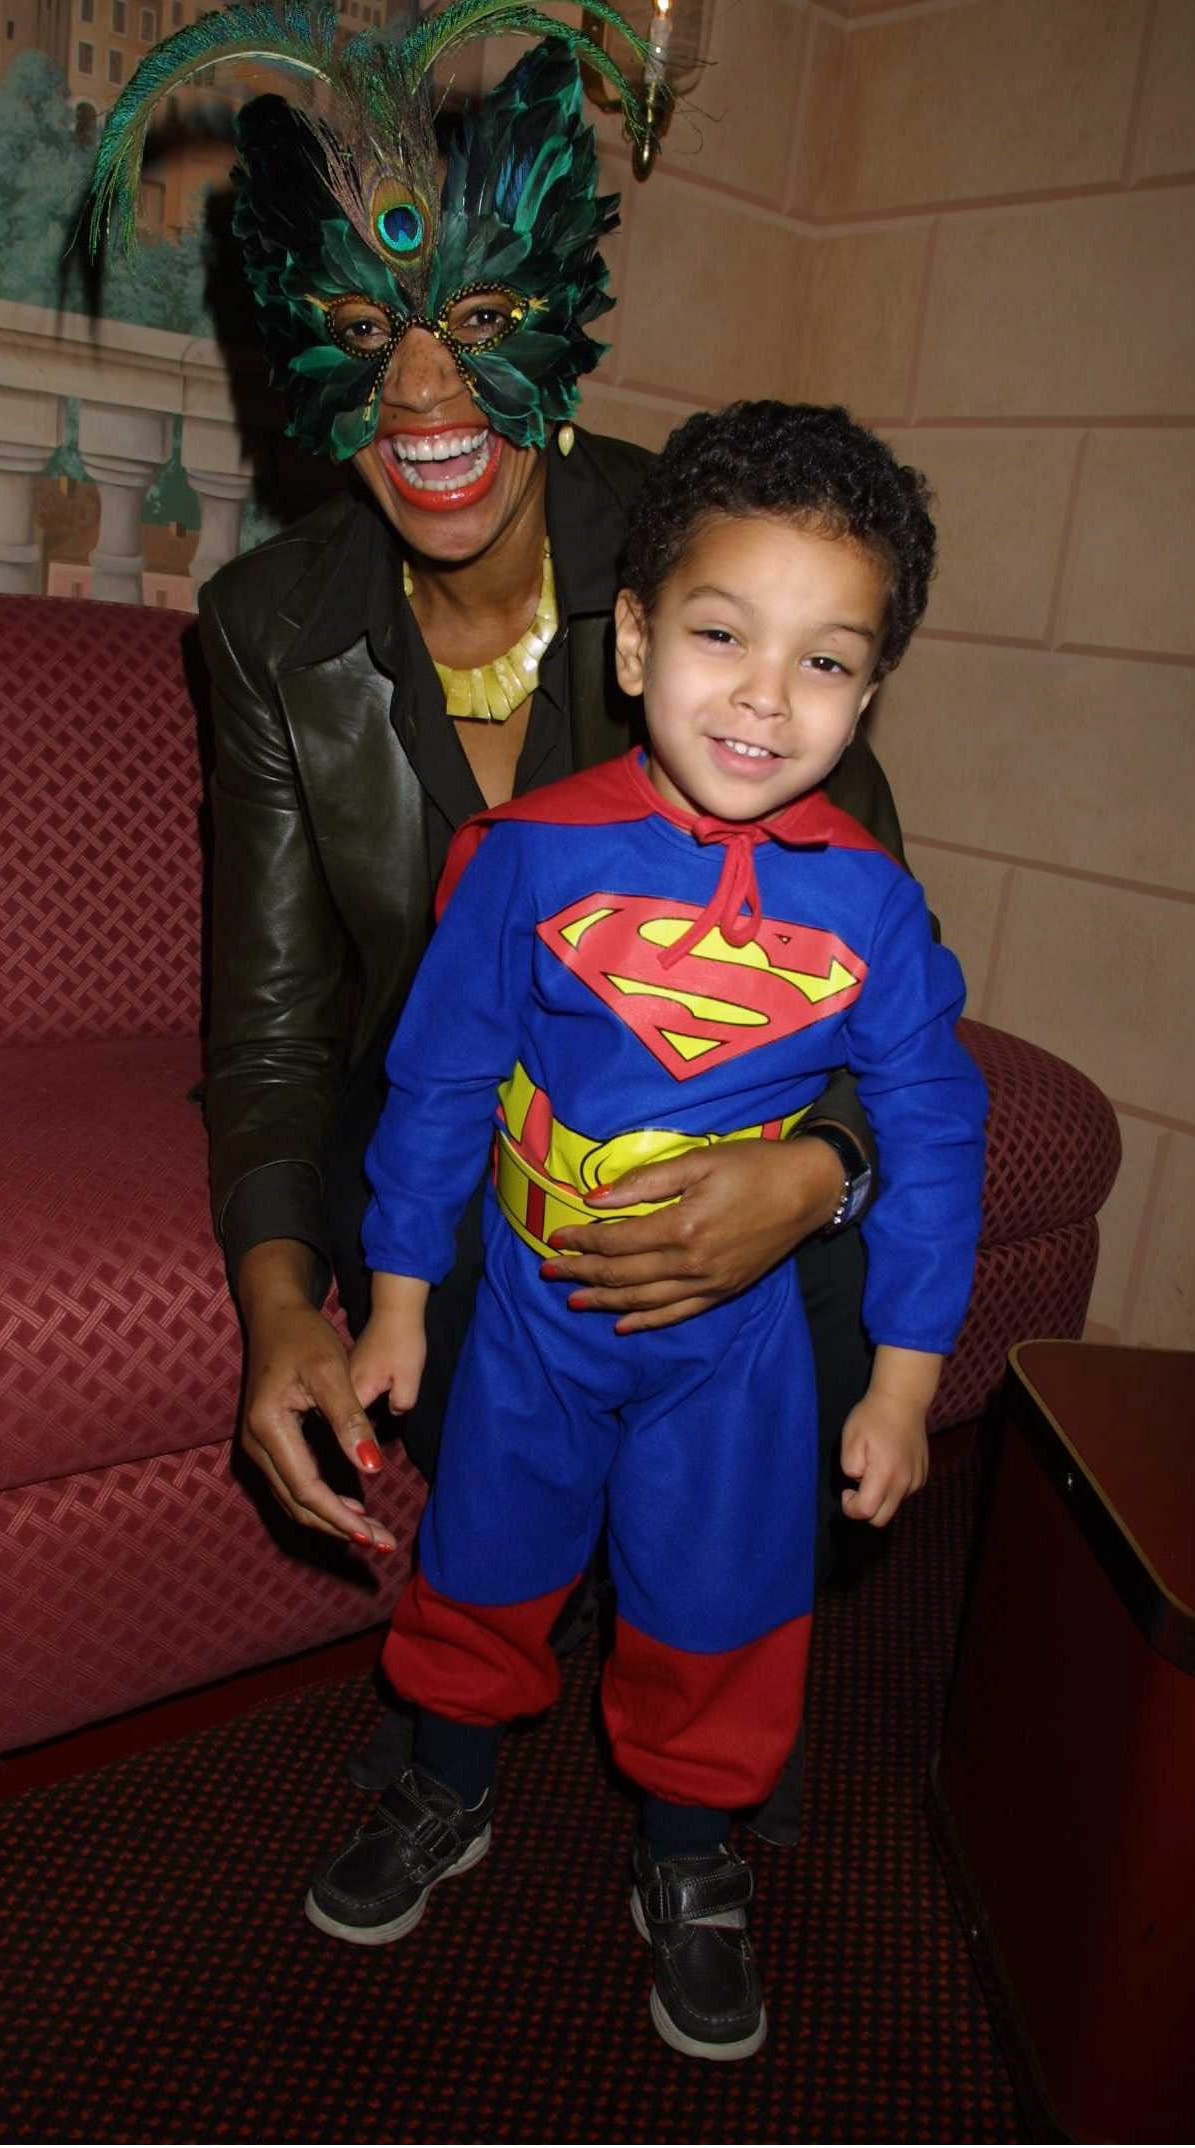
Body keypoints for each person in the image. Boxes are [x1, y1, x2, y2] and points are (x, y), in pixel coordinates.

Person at [88, 10, 909, 1791]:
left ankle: (710, 1774)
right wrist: (282, 1296)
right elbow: (280, 1026)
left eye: (468, 330)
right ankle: (459, 1741)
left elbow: (872, 938)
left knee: (817, 1320)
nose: (423, 402)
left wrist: (812, 1170)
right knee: (466, 1332)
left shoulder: (701, 559)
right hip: (469, 1148)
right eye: (364, 337)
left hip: (741, 1117)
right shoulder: (266, 630)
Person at [304, 401, 988, 2065]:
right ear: (628, 642)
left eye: (827, 662)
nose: (766, 696)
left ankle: (691, 1858)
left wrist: (899, 1385)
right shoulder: (529, 858)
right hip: (533, 1312)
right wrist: (399, 1299)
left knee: (720, 1603)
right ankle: (445, 1789)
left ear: (871, 691)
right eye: (717, 635)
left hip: (735, 1348)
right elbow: (439, 1074)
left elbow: (932, 1132)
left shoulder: (877, 909)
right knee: (480, 1565)